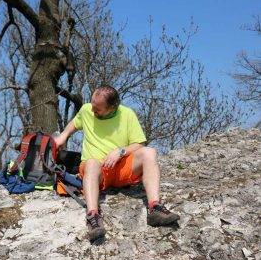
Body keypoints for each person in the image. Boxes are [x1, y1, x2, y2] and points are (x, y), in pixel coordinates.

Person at [54, 85, 180, 243]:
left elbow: (139, 144)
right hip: (97, 172)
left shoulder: (127, 114)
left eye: (98, 108)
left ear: (113, 107)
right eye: (92, 105)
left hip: (120, 168)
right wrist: (64, 136)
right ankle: (93, 216)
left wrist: (120, 152)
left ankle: (155, 207)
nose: (92, 110)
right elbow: (75, 123)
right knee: (92, 163)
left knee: (150, 152)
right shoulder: (87, 110)